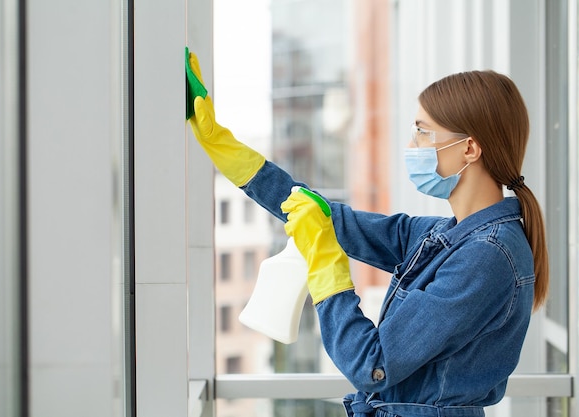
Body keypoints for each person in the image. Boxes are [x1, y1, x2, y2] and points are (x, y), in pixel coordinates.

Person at [186, 51, 549, 417]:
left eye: (422, 133)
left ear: (469, 148)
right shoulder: (445, 236)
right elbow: (331, 219)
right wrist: (224, 147)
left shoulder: (486, 257)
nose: (412, 147)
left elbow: (371, 364)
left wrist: (326, 265)